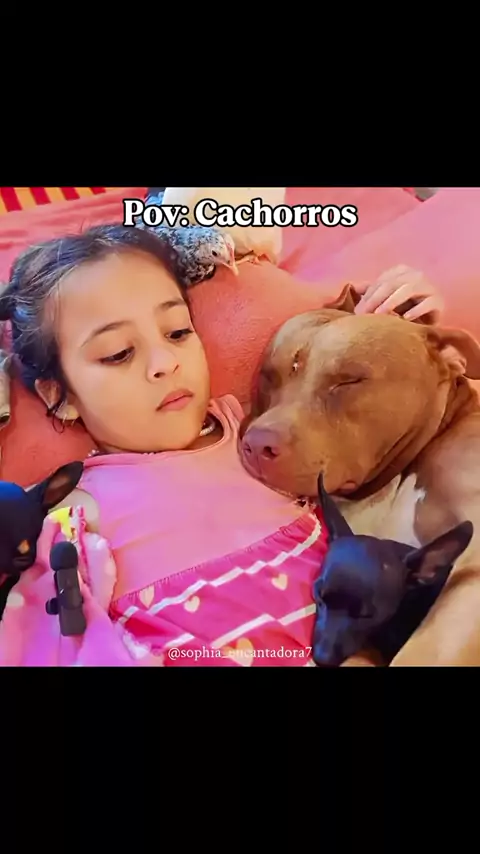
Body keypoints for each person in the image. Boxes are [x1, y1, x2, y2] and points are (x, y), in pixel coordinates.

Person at [0, 225, 445, 666]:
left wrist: (401, 324)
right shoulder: (74, 513)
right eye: (118, 353)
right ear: (59, 396)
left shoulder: (261, 432)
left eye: (177, 331)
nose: (166, 363)